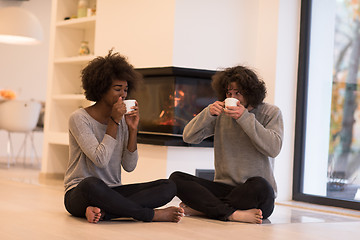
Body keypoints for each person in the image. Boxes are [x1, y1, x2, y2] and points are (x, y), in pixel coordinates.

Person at [64, 50, 184, 224]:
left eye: (126, 90)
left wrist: (132, 129)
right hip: (81, 193)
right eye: (117, 89)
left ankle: (106, 212)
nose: (123, 95)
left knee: (168, 186)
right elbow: (100, 159)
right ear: (100, 88)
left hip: (113, 192)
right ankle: (150, 215)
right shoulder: (79, 118)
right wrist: (114, 120)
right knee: (92, 184)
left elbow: (129, 166)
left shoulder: (122, 121)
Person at [169, 65, 283, 224]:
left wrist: (244, 117)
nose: (233, 97)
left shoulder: (271, 113)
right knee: (176, 179)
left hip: (254, 193)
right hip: (224, 189)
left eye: (238, 93)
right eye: (229, 93)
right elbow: (188, 137)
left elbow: (273, 148)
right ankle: (232, 214)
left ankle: (204, 209)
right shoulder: (221, 114)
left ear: (251, 92)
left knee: (261, 186)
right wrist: (207, 113)